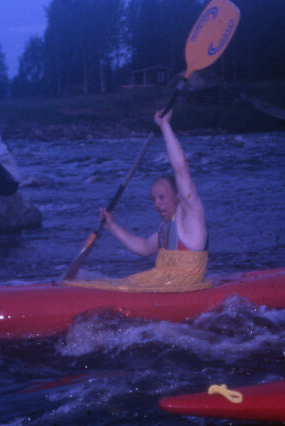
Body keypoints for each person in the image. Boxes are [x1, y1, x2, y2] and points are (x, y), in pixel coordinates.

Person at [69, 109, 210, 291]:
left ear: (178, 196)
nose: (157, 205)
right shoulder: (166, 229)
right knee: (98, 282)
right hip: (160, 283)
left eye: (161, 197)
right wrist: (112, 226)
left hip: (181, 289)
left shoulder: (191, 216)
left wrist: (165, 126)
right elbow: (143, 248)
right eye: (154, 199)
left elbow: (181, 169)